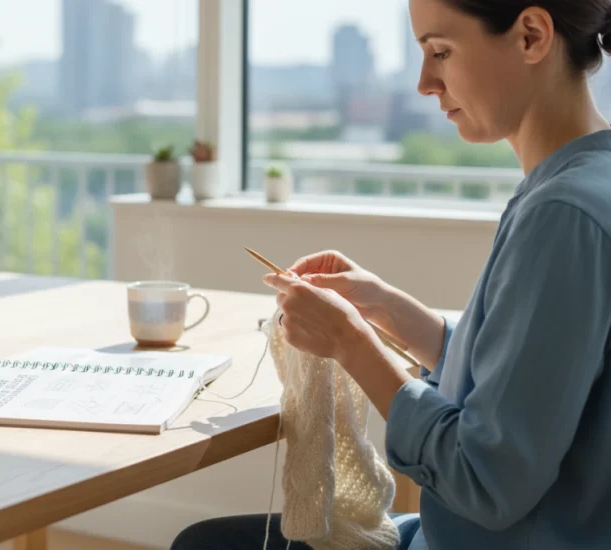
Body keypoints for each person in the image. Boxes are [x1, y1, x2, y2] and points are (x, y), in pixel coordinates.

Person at [171, 0, 611, 548]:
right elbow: (525, 386)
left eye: (441, 52)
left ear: (531, 36)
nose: (426, 82)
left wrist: (352, 343)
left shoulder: (562, 214)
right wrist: (386, 308)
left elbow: (486, 480)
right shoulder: (583, 182)